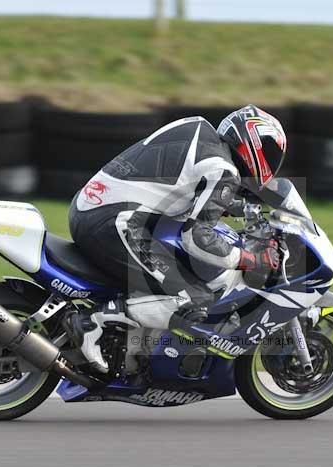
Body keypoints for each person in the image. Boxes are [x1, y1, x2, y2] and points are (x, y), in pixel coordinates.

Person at [67, 105, 287, 372]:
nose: (272, 163)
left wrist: (232, 206)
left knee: (171, 275)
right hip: (115, 222)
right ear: (253, 144)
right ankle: (92, 322)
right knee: (194, 299)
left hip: (89, 207)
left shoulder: (198, 127)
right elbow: (197, 237)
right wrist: (248, 258)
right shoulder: (223, 170)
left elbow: (175, 183)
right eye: (271, 154)